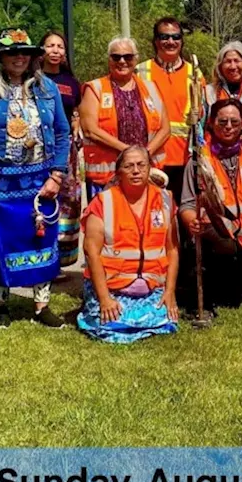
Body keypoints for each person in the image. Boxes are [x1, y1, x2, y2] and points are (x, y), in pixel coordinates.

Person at [0, 27, 71, 329]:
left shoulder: (47, 89)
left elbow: (62, 132)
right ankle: (1, 305)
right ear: (0, 57)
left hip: (40, 180)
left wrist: (57, 176)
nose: (18, 58)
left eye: (24, 53)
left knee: (42, 240)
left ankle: (41, 305)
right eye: (11, 53)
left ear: (34, 57)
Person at [76, 146, 180, 343]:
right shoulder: (102, 202)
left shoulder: (165, 200)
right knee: (109, 322)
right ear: (119, 172)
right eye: (128, 166)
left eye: (141, 165)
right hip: (111, 288)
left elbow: (172, 250)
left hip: (152, 288)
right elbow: (91, 253)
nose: (135, 170)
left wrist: (169, 292)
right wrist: (105, 299)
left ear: (150, 168)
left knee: (165, 320)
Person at [180, 99, 242, 311]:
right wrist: (191, 222)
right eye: (222, 121)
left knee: (233, 299)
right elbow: (186, 204)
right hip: (215, 240)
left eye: (234, 121)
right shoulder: (199, 161)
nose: (228, 126)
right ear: (210, 123)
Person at [79, 37, 171, 198]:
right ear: (109, 60)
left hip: (147, 174)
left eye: (127, 57)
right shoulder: (95, 88)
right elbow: (90, 130)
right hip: (108, 178)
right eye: (116, 57)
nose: (122, 61)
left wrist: (145, 154)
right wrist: (129, 152)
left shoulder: (151, 88)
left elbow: (165, 129)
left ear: (136, 59)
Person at [136, 18, 208, 207]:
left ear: (182, 41)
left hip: (185, 160)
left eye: (175, 37)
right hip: (150, 158)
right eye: (164, 37)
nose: (170, 41)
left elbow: (203, 119)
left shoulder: (195, 74)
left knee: (184, 214)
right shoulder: (140, 72)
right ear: (155, 41)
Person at [40, 30, 84, 267]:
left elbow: (77, 111)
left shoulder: (71, 82)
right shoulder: (32, 79)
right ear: (41, 50)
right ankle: (41, 258)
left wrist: (76, 126)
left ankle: (60, 259)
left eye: (60, 46)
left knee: (68, 200)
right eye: (50, 46)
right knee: (42, 198)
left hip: (66, 150)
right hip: (38, 148)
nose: (55, 50)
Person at [206, 41, 242, 146]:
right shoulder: (209, 92)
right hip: (216, 156)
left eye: (237, 61)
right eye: (228, 61)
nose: (233, 66)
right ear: (220, 67)